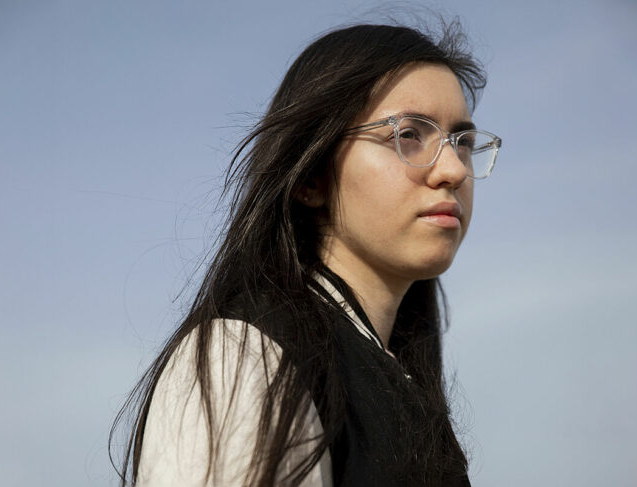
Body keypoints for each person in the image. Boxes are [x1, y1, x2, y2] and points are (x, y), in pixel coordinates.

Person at [111, 19, 501, 487]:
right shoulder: (244, 356)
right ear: (310, 178)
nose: (453, 170)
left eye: (464, 142)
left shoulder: (399, 383)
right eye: (410, 134)